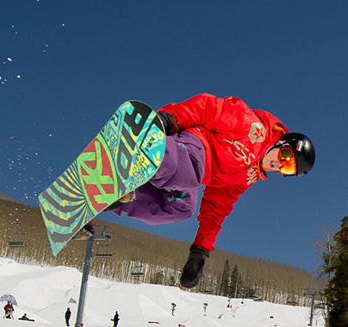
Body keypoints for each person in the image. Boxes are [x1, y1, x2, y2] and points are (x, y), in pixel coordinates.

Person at [105, 94, 314, 290]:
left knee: (182, 208)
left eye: (287, 169)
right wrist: (171, 117)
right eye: (285, 157)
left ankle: (122, 199)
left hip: (189, 173)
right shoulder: (253, 126)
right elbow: (208, 108)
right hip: (193, 146)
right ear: (282, 142)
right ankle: (145, 148)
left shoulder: (248, 177)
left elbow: (217, 208)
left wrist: (200, 251)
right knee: (189, 172)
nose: (279, 164)